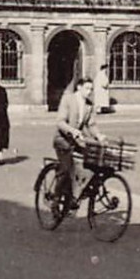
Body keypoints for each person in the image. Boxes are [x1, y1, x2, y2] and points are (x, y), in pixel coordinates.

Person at [52, 76, 101, 212]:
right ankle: (56, 201)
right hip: (63, 140)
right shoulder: (68, 99)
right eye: (87, 88)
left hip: (77, 141)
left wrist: (99, 135)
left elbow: (91, 124)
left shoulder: (89, 105)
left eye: (91, 89)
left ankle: (77, 193)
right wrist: (73, 131)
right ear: (79, 88)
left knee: (93, 163)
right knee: (66, 169)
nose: (89, 92)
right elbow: (60, 122)